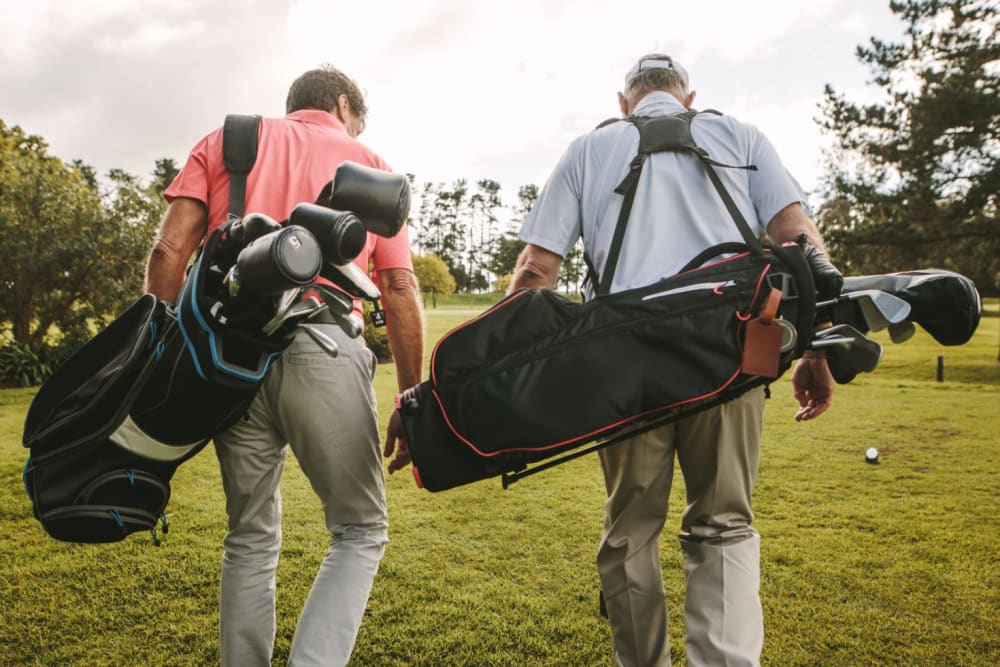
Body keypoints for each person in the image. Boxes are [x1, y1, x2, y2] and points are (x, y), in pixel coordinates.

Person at [508, 54, 837, 667]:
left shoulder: (589, 149)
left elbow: (535, 273)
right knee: (725, 526)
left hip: (623, 367)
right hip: (731, 357)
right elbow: (800, 244)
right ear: (689, 99)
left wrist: (503, 375)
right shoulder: (740, 135)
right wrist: (813, 347)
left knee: (630, 533)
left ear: (623, 103)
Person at [144, 65, 424, 667]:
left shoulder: (229, 141)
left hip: (230, 362)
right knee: (358, 530)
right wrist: (410, 398)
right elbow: (397, 285)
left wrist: (155, 352)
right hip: (322, 343)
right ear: (345, 105)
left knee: (249, 538)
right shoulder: (369, 159)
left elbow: (169, 250)